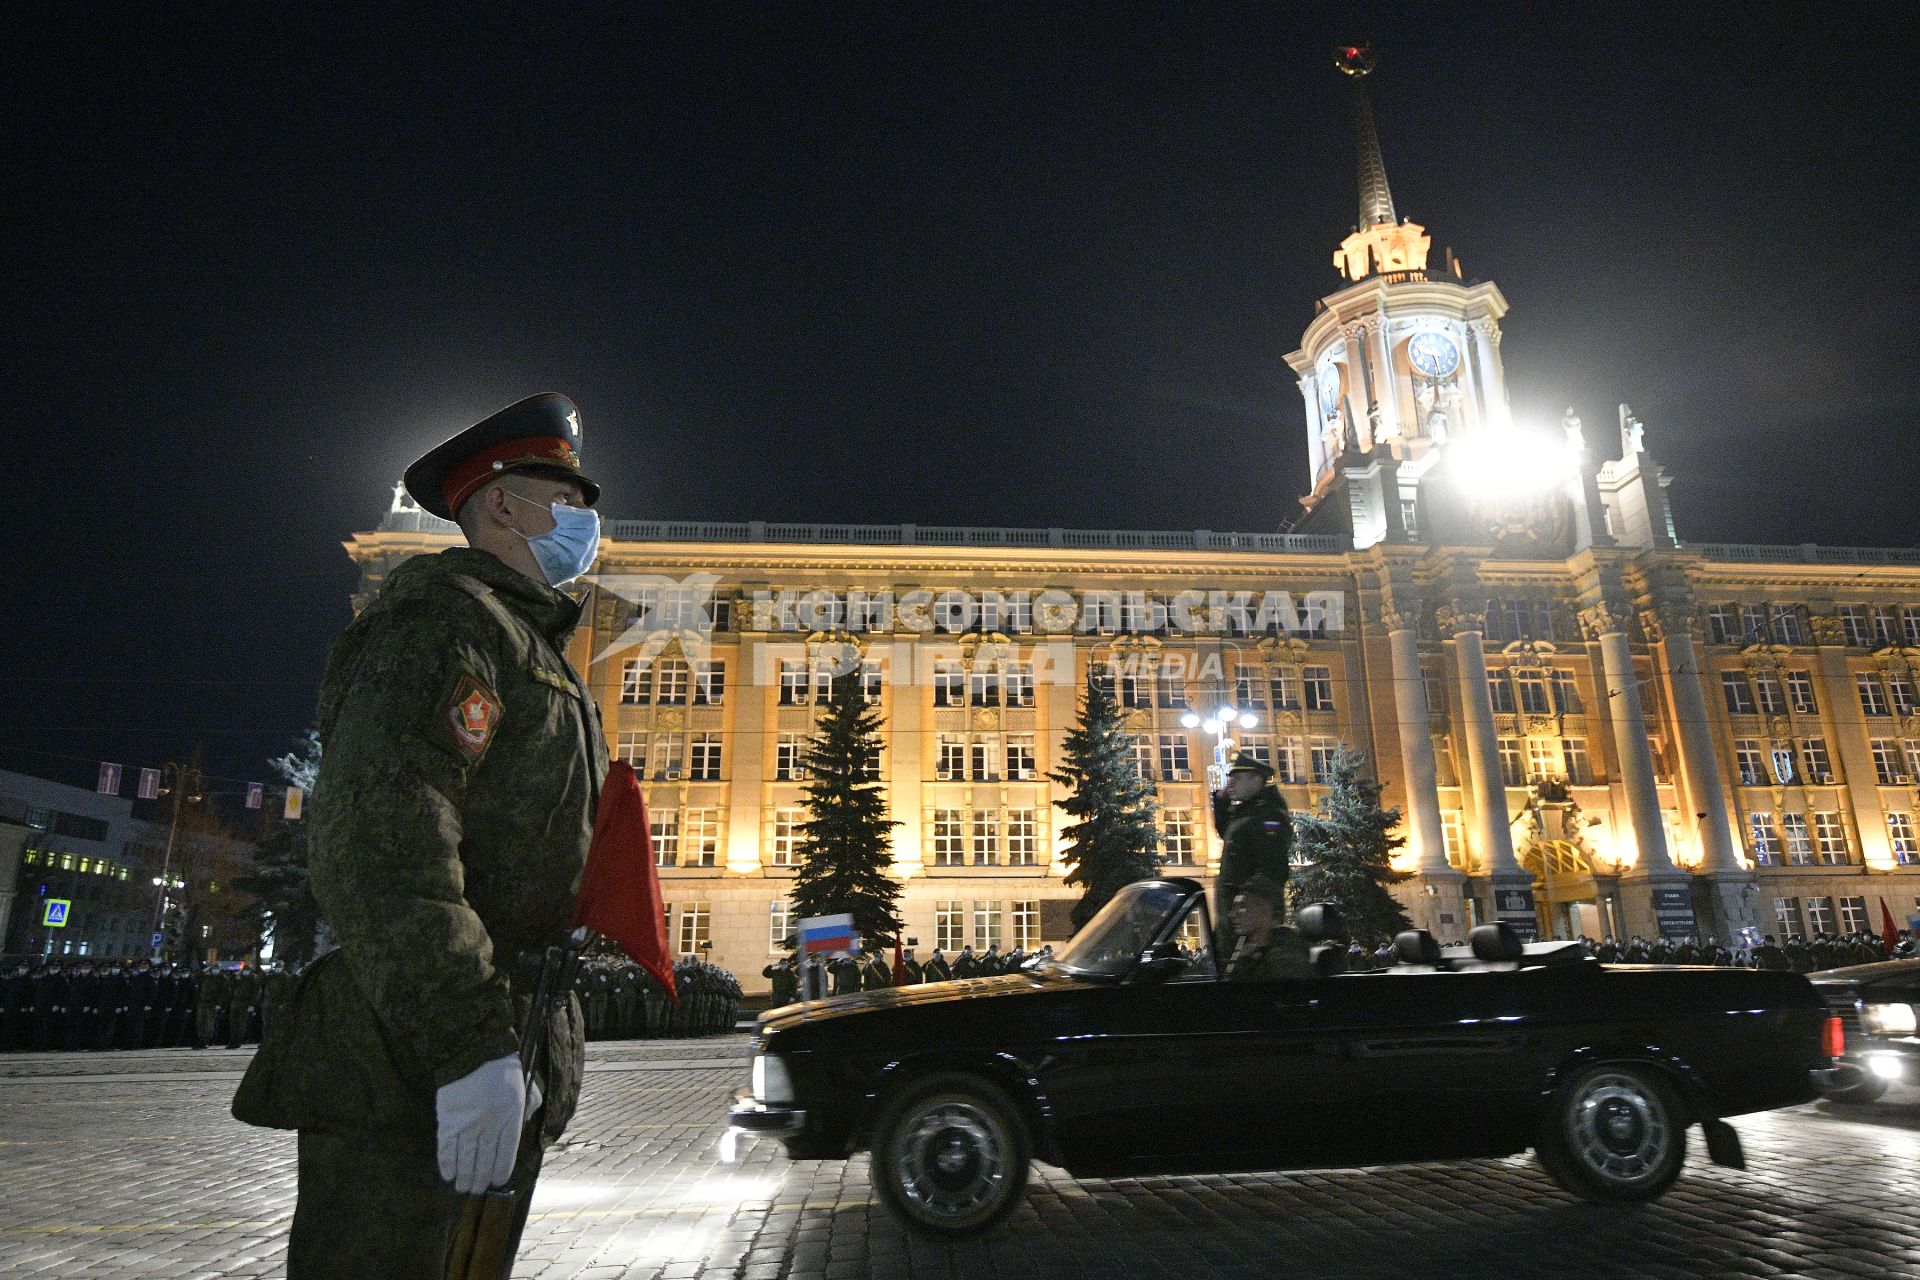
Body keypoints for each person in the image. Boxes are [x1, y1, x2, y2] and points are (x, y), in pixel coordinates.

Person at [231, 393, 608, 1279]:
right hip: (414, 1062)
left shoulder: (522, 638)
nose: (591, 519)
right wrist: (467, 1047)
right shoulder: (446, 625)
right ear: (505, 501)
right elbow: (386, 841)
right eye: (571, 495)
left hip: (490, 1042)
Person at [1210, 753, 1293, 950]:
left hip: (1251, 922)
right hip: (1237, 916)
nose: (1231, 783)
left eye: (1237, 778)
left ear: (1256, 779)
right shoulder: (1245, 813)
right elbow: (1228, 834)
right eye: (1230, 778)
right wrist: (1221, 801)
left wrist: (1247, 905)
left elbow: (1272, 868)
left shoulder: (1268, 815)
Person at [1222, 876, 1313, 982]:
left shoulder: (1286, 958)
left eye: (1243, 905)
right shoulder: (1245, 948)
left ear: (1266, 912)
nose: (1232, 914)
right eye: (1233, 907)